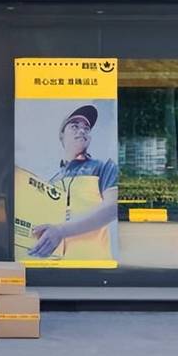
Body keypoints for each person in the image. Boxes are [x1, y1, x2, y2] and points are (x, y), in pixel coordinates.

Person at [28, 104, 118, 259]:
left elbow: (113, 207)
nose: (82, 131)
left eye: (86, 128)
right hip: (54, 262)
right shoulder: (52, 181)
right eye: (75, 126)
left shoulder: (104, 167)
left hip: (93, 262)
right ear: (61, 135)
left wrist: (61, 230)